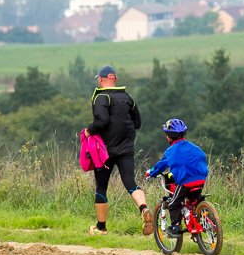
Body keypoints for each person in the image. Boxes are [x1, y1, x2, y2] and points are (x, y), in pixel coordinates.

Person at [83, 66, 153, 236]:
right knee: (130, 182)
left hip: (104, 151)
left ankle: (101, 228)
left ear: (100, 79)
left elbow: (101, 121)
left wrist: (89, 130)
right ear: (116, 79)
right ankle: (144, 209)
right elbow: (137, 123)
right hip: (126, 148)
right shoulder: (127, 97)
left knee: (101, 186)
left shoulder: (101, 97)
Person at [145, 119, 209, 238]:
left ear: (168, 137)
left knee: (174, 203)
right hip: (201, 178)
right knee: (194, 199)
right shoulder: (194, 147)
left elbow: (160, 166)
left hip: (186, 182)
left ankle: (175, 227)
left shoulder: (170, 151)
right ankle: (198, 219)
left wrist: (151, 173)